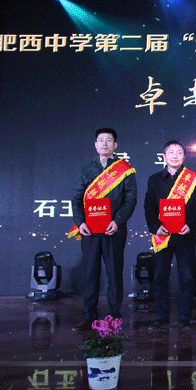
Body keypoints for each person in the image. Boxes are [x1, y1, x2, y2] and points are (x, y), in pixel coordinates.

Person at [69, 128, 137, 331]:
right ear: (95, 145)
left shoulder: (125, 170)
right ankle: (88, 316)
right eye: (101, 140)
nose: (104, 143)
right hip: (89, 230)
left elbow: (130, 200)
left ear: (115, 145)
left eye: (109, 140)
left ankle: (114, 317)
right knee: (90, 273)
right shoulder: (85, 171)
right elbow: (76, 199)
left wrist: (117, 221)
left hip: (114, 230)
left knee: (114, 273)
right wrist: (80, 222)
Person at [144, 140, 196, 331]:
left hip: (185, 236)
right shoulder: (154, 180)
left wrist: (190, 225)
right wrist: (155, 227)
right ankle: (161, 318)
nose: (175, 156)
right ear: (164, 156)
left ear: (184, 156)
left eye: (179, 152)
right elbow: (149, 207)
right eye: (171, 152)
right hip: (162, 235)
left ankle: (184, 318)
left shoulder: (193, 178)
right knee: (160, 278)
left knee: (186, 279)